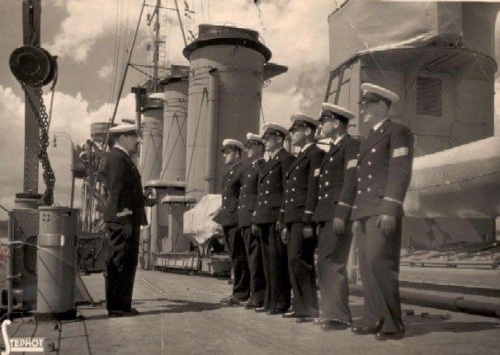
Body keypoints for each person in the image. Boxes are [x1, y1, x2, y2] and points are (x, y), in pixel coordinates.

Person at [350, 83, 414, 341]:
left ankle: (391, 324)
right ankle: (372, 318)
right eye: (362, 104)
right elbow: (362, 180)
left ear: (382, 106)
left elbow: (400, 172)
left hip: (382, 209)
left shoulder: (398, 132)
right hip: (365, 211)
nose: (362, 109)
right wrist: (357, 215)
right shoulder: (368, 139)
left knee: (381, 264)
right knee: (367, 266)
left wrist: (390, 207)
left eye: (367, 104)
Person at [313, 103, 360, 331]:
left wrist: (342, 213)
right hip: (326, 214)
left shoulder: (351, 145)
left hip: (337, 213)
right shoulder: (332, 151)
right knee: (325, 262)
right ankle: (331, 313)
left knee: (332, 263)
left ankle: (339, 316)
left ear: (337, 123)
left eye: (324, 120)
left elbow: (351, 182)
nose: (321, 125)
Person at [280, 114, 323, 323]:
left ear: (307, 131)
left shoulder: (316, 154)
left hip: (303, 216)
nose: (292, 133)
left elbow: (313, 189)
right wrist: (285, 222)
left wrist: (308, 219)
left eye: (295, 129)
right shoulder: (299, 157)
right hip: (292, 217)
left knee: (301, 260)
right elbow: (290, 191)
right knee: (293, 262)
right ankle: (300, 306)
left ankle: (309, 307)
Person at [103, 123, 147, 318]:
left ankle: (122, 305)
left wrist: (144, 201)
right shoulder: (118, 158)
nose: (137, 140)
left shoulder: (122, 158)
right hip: (123, 220)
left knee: (127, 262)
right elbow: (118, 191)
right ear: (122, 137)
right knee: (121, 261)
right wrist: (125, 219)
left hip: (126, 217)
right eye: (133, 136)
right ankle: (117, 307)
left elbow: (128, 192)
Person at [251, 123, 295, 315]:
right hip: (264, 217)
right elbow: (261, 194)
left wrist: (282, 218)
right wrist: (256, 218)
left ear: (279, 139)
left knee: (277, 261)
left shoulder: (286, 159)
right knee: (267, 262)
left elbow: (288, 191)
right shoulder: (269, 162)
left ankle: (280, 301)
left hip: (275, 216)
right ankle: (270, 300)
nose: (265, 141)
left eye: (268, 138)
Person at [215, 139, 250, 306]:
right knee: (234, 257)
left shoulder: (242, 171)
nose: (224, 156)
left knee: (240, 257)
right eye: (224, 152)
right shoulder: (229, 173)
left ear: (237, 153)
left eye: (227, 152)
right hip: (228, 219)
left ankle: (242, 293)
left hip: (236, 220)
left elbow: (244, 197)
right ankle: (238, 291)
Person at [237, 133, 267, 309]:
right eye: (247, 146)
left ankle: (258, 295)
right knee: (250, 259)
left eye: (251, 146)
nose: (247, 149)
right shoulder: (251, 169)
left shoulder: (261, 167)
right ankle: (254, 293)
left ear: (260, 148)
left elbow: (261, 195)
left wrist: (255, 217)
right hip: (245, 219)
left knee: (256, 259)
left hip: (252, 219)